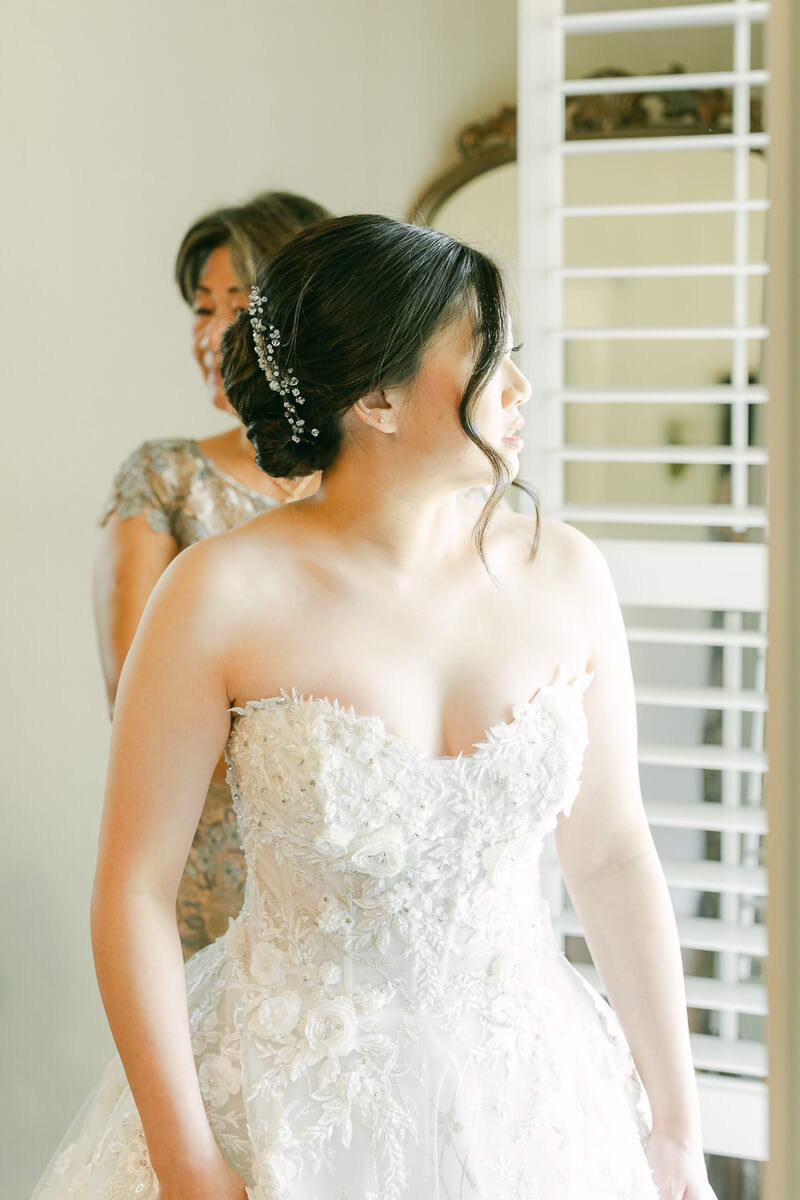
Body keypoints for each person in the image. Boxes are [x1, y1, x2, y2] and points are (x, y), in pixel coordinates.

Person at [36, 215, 715, 1199]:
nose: (520, 389)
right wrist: (186, 1158)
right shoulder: (218, 594)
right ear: (377, 397)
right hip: (283, 1103)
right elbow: (135, 888)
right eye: (489, 360)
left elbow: (609, 855)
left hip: (527, 1096)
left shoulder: (565, 574)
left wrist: (674, 1126)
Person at [94, 190, 330, 958]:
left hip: (359, 856)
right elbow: (134, 695)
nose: (212, 333)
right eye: (202, 308)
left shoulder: (371, 485)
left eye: (240, 305)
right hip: (219, 865)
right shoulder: (166, 477)